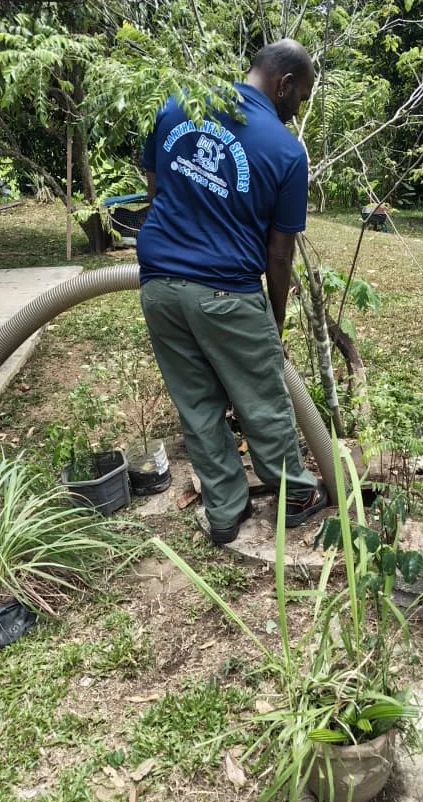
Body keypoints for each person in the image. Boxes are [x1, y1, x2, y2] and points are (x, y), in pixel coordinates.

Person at [137, 39, 328, 544]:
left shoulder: (182, 102)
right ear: (284, 83)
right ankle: (296, 494)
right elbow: (280, 255)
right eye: (300, 97)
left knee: (197, 403)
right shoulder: (287, 151)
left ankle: (225, 512)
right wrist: (276, 323)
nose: (297, 109)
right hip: (227, 293)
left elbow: (156, 187)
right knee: (262, 398)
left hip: (158, 285)